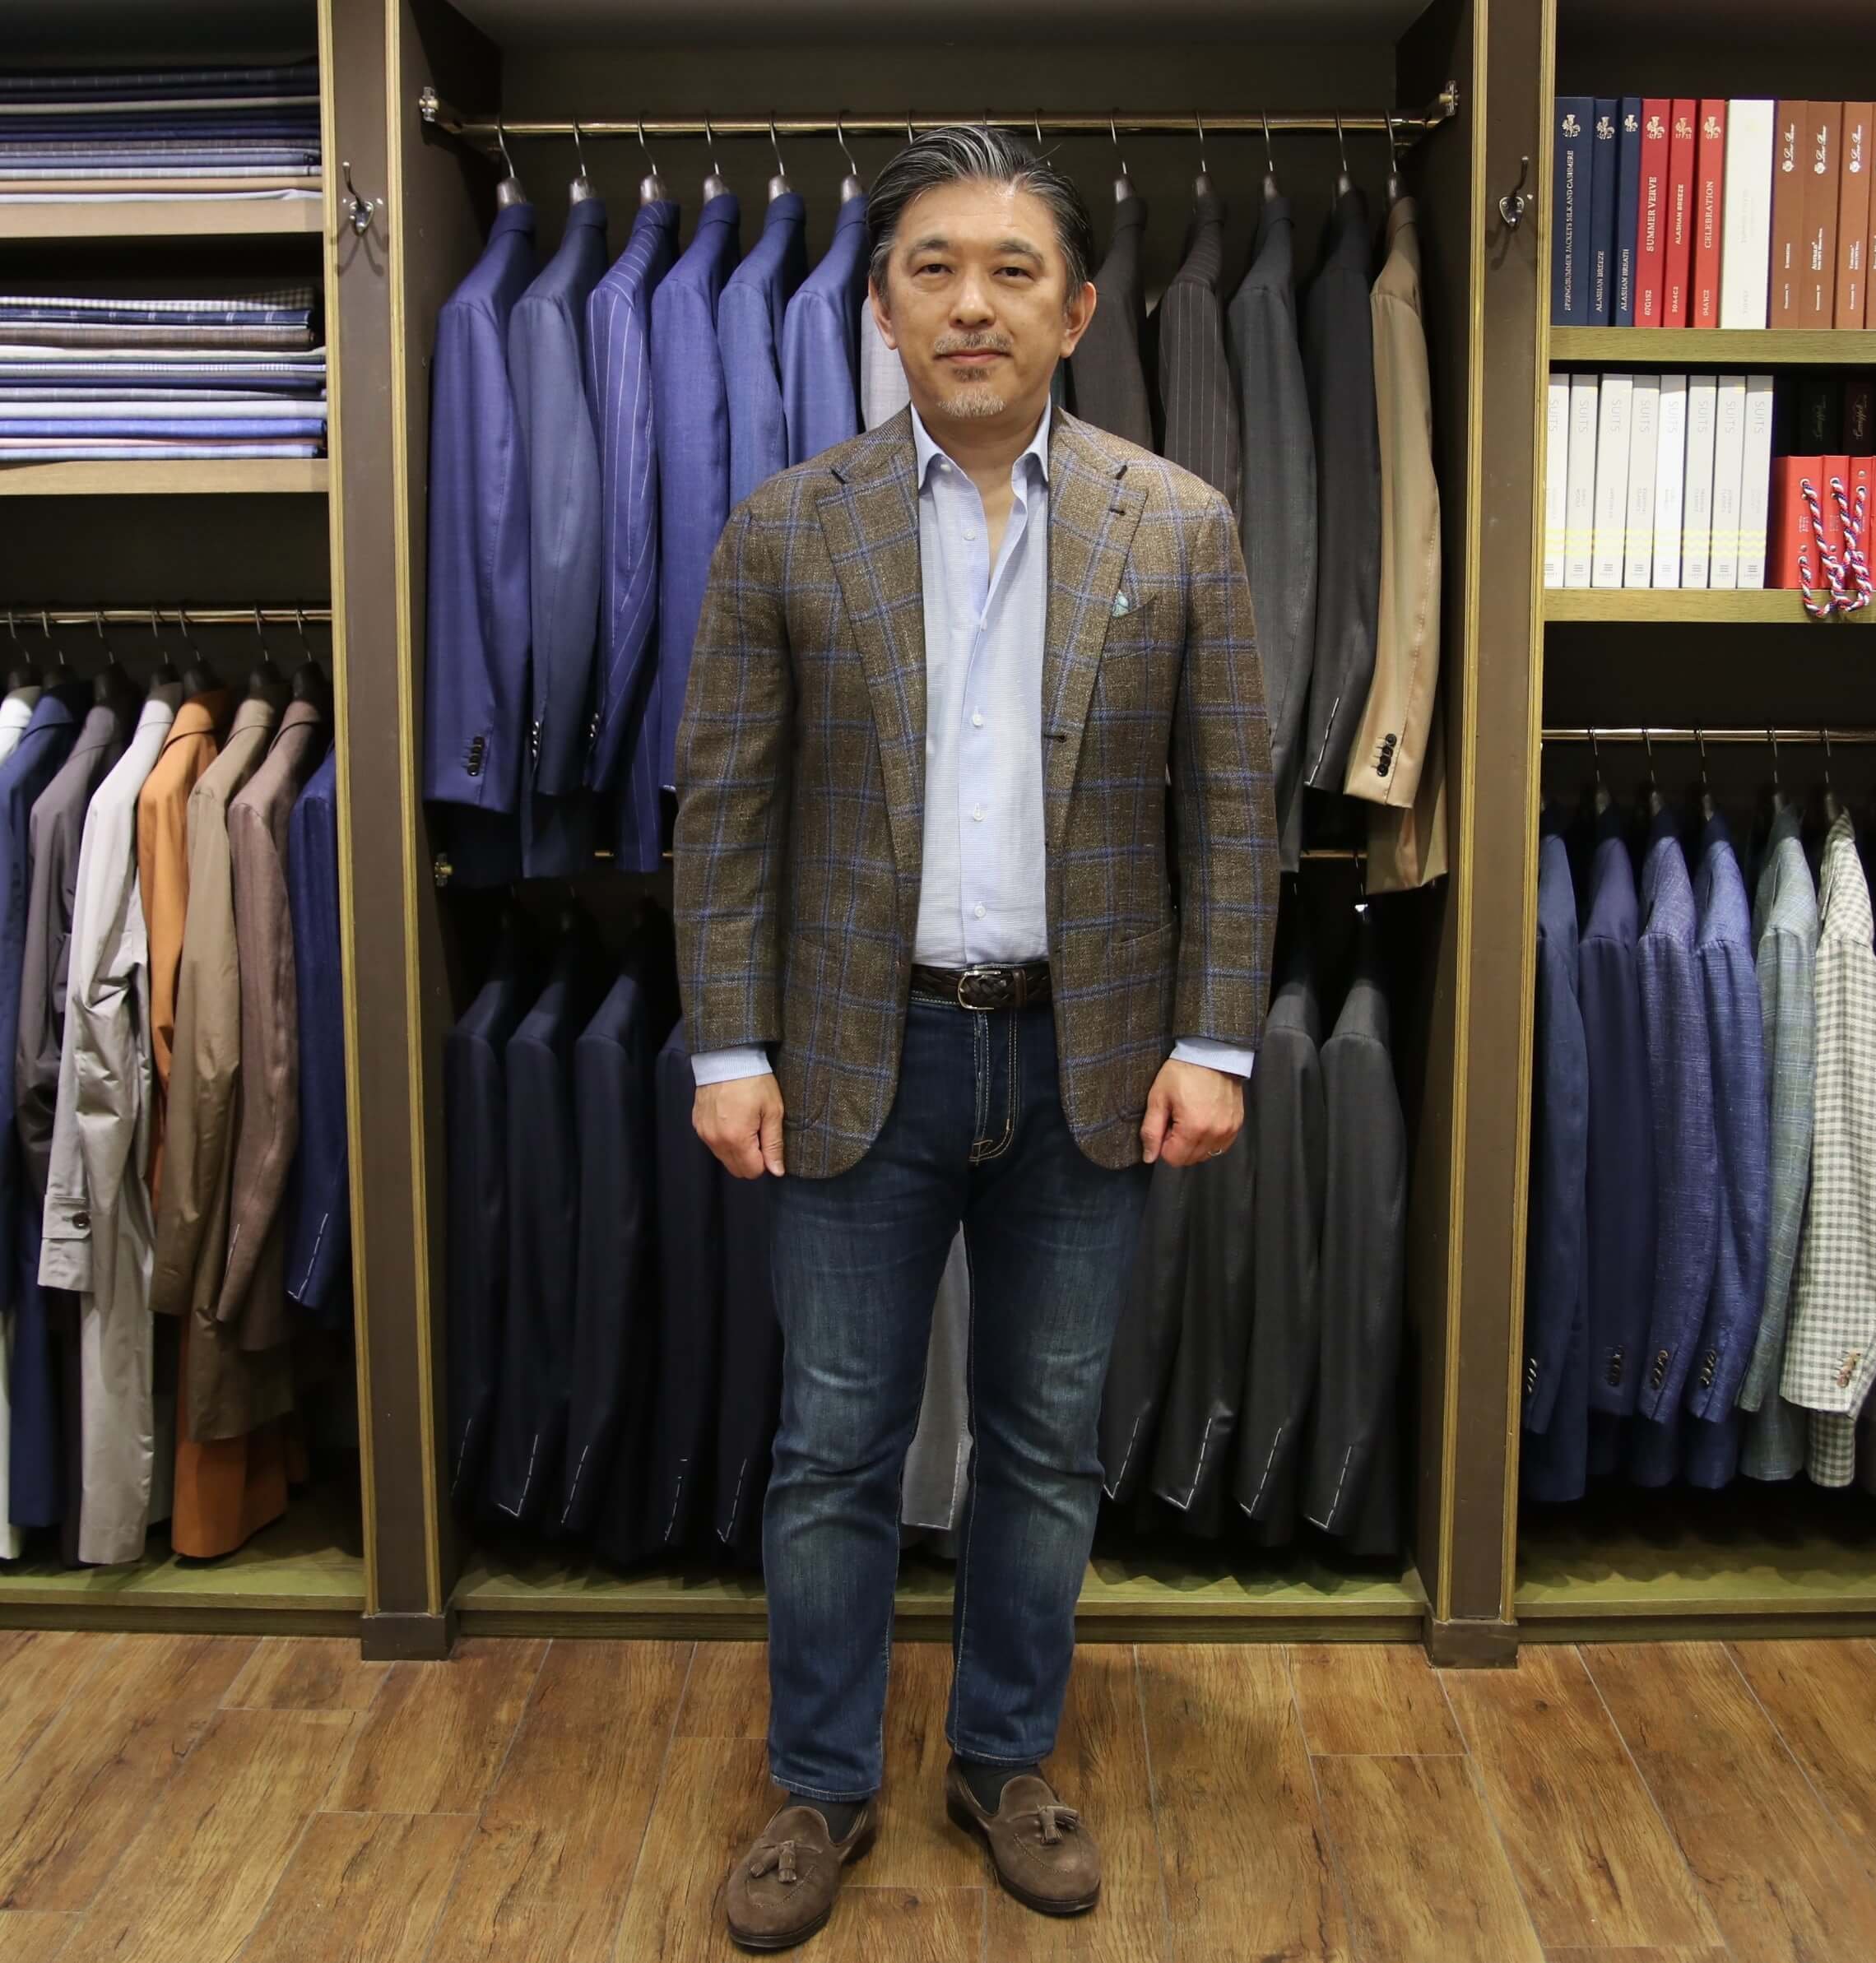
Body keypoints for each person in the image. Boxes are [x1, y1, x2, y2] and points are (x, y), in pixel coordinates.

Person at [672, 123, 1277, 1953]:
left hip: (1088, 1057)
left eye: (1012, 269)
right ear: (882, 305)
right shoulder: (789, 523)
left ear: (1075, 309)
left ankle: (1005, 1758)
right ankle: (820, 1781)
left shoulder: (1178, 524)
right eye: (931, 266)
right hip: (859, 1055)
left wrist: (1215, 1038)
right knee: (832, 1442)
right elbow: (727, 811)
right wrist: (726, 1048)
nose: (970, 302)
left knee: (1043, 1438)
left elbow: (1227, 810)